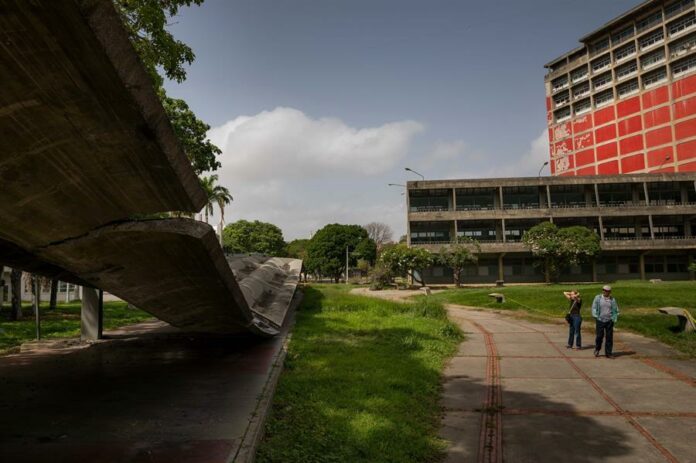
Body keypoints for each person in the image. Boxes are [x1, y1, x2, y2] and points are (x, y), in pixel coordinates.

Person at [591, 285, 620, 358]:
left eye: (607, 291)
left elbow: (616, 309)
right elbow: (594, 307)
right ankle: (597, 349)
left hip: (609, 320)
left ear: (610, 292)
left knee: (609, 337)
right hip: (600, 320)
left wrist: (614, 317)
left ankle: (609, 353)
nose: (605, 292)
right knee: (599, 336)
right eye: (604, 290)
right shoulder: (598, 298)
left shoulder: (612, 299)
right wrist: (596, 316)